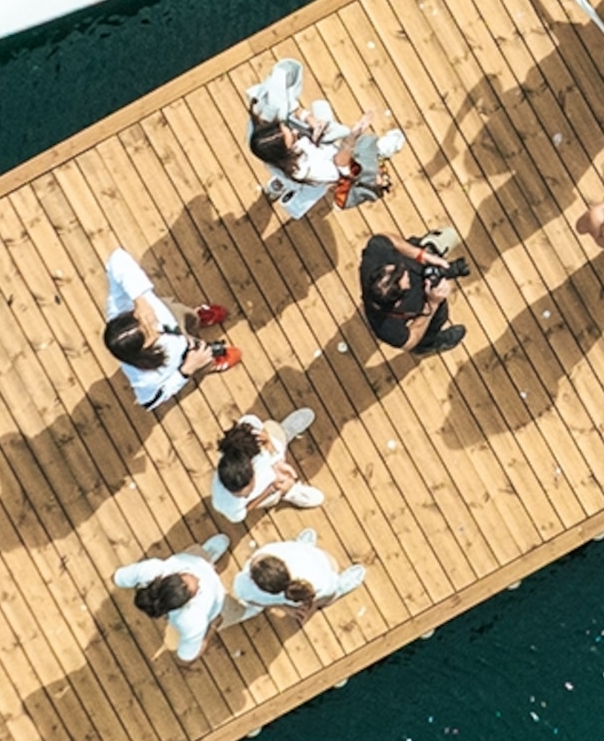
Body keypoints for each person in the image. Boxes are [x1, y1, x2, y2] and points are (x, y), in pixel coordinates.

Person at [246, 57, 403, 218]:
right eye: (292, 140)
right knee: (363, 155)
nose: (295, 132)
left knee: (283, 176)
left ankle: (278, 184)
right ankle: (379, 151)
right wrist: (352, 138)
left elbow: (282, 101)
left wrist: (307, 117)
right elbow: (339, 167)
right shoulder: (307, 168)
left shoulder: (261, 139)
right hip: (310, 172)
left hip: (282, 166)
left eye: (287, 128)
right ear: (287, 152)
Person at [101, 248, 237, 410]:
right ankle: (210, 360)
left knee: (188, 317)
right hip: (184, 356)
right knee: (201, 358)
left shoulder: (119, 307)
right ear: (143, 350)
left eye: (140, 320)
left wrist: (140, 300)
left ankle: (197, 317)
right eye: (150, 333)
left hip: (173, 315)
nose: (153, 324)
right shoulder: (145, 378)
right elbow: (150, 401)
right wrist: (186, 370)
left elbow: (117, 258)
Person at [112, 545, 227, 668]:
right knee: (238, 609)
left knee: (198, 553)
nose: (199, 579)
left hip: (194, 559)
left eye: (186, 574)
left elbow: (118, 577)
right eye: (197, 589)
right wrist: (213, 627)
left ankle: (207, 557)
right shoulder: (193, 621)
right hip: (219, 599)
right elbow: (185, 659)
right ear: (186, 604)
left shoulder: (152, 570)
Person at [360, 229, 470, 356]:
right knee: (438, 319)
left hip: (419, 258)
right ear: (398, 303)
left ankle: (427, 247)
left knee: (449, 234)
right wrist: (432, 305)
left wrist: (421, 255)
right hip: (425, 306)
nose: (404, 269)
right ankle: (426, 345)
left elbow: (387, 238)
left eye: (398, 268)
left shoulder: (376, 256)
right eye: (405, 278)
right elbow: (409, 341)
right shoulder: (387, 328)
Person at [210, 410, 323, 528]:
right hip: (268, 491)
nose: (245, 497)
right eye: (244, 496)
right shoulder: (226, 504)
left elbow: (252, 422)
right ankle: (289, 492)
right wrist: (271, 489)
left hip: (272, 452)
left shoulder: (245, 440)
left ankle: (285, 432)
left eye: (245, 493)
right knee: (279, 491)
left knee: (274, 430)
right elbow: (246, 509)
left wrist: (268, 441)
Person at [230, 537, 367, 628]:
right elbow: (326, 584)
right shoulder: (278, 553)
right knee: (329, 591)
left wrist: (284, 607)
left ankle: (333, 591)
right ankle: (338, 590)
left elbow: (253, 602)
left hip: (297, 598)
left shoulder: (243, 586)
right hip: (324, 572)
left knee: (320, 591)